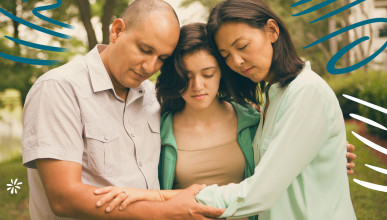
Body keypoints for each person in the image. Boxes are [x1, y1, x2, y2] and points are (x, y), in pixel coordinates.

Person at [93, 20, 356, 219]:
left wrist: (323, 153)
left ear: (223, 71)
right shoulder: (156, 126)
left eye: (208, 73)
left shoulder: (253, 120)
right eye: (186, 76)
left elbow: (275, 169)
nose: (197, 86)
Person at [21, 0, 223, 219]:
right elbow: (63, 198)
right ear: (117, 31)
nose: (150, 67)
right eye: (145, 50)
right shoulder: (58, 89)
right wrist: (165, 211)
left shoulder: (154, 98)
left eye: (162, 59)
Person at [193, 0, 357, 219]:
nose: (237, 61)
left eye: (242, 46)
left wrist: (170, 198)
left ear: (272, 31)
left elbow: (258, 194)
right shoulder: (273, 95)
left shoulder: (306, 91)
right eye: (226, 56)